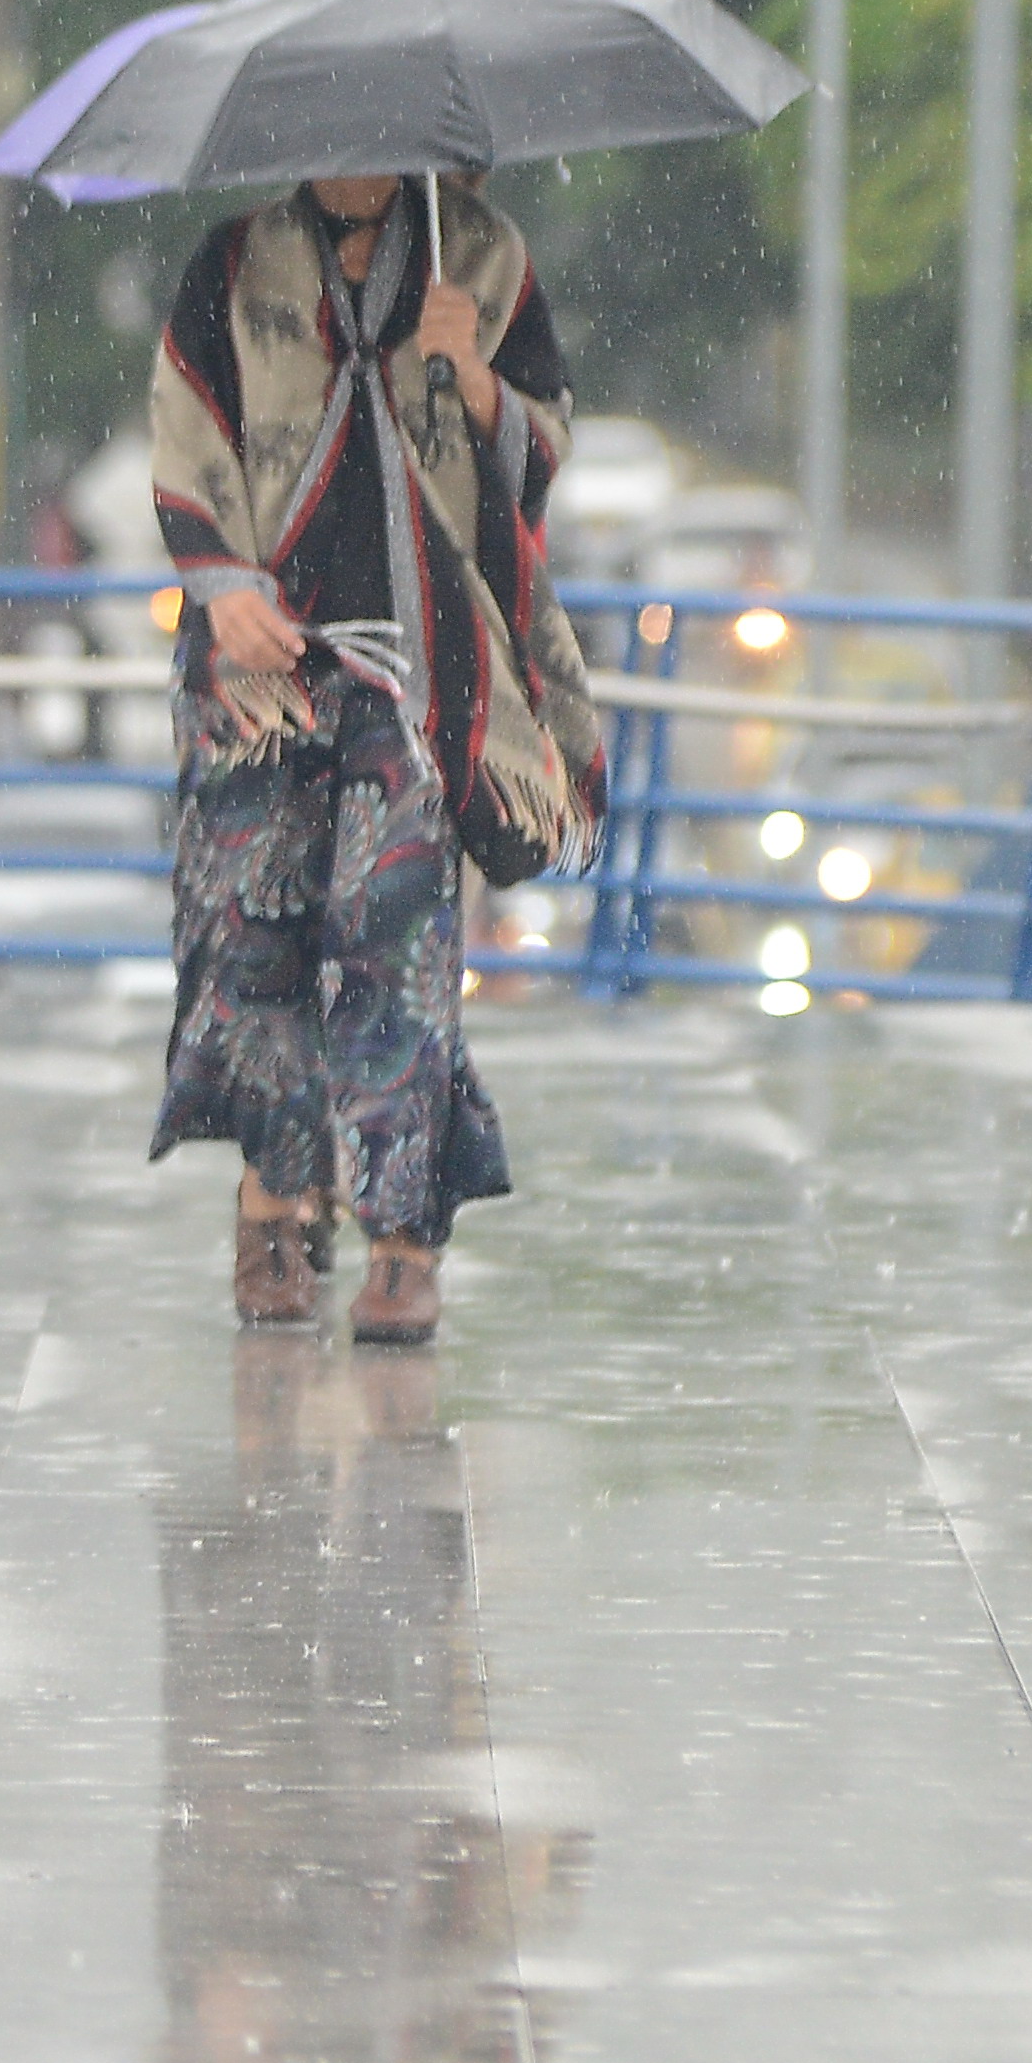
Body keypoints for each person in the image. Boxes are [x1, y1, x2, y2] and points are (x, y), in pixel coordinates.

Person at [145, 173, 605, 1342]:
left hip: (425, 663)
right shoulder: (237, 261)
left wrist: (481, 378)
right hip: (263, 665)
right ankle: (276, 1208)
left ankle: (404, 1235)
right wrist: (224, 580)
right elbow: (188, 428)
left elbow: (543, 455)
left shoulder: (481, 257)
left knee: (392, 933)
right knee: (248, 934)